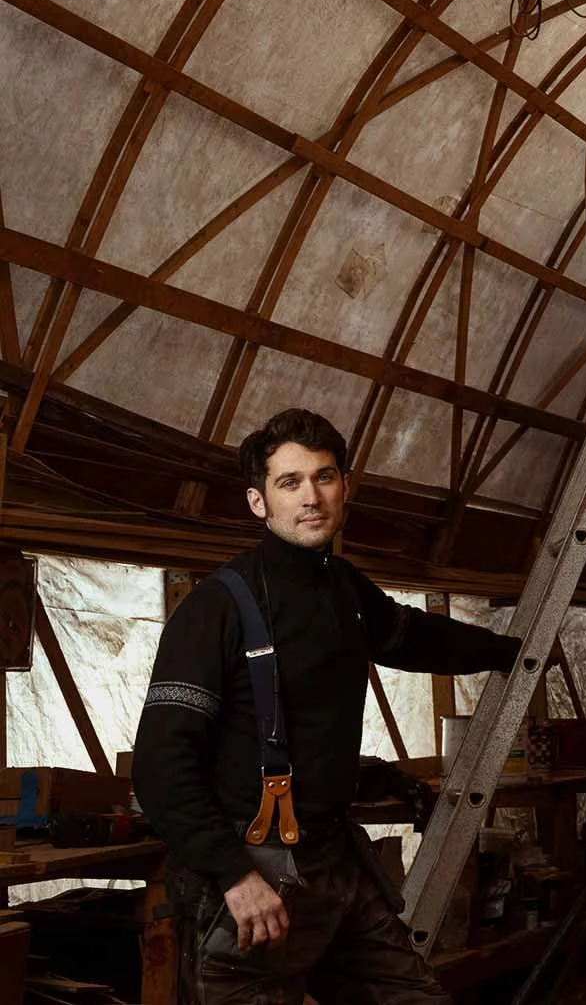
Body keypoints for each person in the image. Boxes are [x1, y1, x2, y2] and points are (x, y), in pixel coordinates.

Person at [134, 408, 524, 1003]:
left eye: (324, 477)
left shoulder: (345, 588)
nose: (310, 496)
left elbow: (417, 638)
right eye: (289, 482)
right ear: (259, 503)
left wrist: (512, 652)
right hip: (252, 876)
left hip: (335, 863)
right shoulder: (215, 608)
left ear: (345, 489)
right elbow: (160, 767)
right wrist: (235, 876)